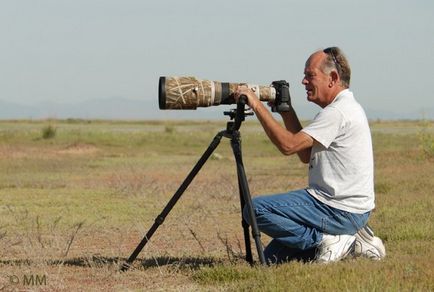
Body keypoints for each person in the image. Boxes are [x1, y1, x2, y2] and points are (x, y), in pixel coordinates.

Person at [234, 47, 386, 264]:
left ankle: (327, 238)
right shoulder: (342, 108)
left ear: (333, 78)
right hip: (348, 209)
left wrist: (255, 104)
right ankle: (353, 242)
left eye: (310, 75)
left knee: (255, 210)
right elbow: (305, 154)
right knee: (270, 259)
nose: (303, 82)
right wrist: (286, 110)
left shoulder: (337, 113)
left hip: (337, 209)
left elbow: (288, 146)